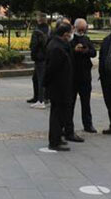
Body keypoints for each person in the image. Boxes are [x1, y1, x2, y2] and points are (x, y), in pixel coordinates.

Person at [43, 23, 74, 151]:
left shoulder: (59, 45)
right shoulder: (57, 47)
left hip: (60, 86)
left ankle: (57, 138)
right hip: (59, 87)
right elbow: (52, 69)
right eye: (69, 33)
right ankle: (54, 141)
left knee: (60, 114)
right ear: (65, 34)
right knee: (57, 115)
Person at [70, 18, 97, 134]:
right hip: (72, 76)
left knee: (86, 102)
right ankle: (68, 126)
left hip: (85, 76)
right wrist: (74, 50)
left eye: (83, 29)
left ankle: (88, 124)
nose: (81, 32)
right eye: (80, 29)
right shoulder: (70, 39)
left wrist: (85, 50)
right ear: (75, 28)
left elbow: (94, 52)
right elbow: (66, 52)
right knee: (70, 103)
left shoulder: (86, 39)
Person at [28, 13, 50, 109]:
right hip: (46, 56)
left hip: (39, 57)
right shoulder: (49, 30)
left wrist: (33, 53)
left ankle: (41, 100)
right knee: (36, 78)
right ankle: (38, 97)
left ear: (39, 20)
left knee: (40, 79)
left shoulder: (37, 31)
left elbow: (34, 45)